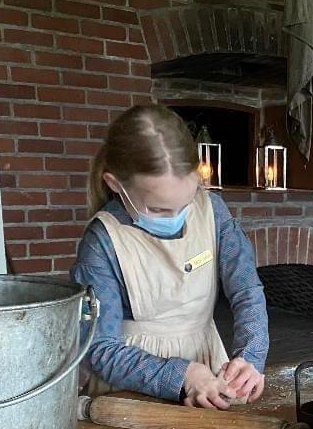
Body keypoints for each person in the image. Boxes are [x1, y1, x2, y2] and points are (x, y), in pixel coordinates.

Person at [72, 104, 268, 409]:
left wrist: (250, 356)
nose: (175, 217)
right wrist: (180, 375)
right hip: (130, 389)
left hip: (210, 368)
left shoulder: (213, 212)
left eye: (186, 202)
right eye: (159, 210)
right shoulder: (103, 242)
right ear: (115, 184)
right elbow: (98, 348)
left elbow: (247, 290)